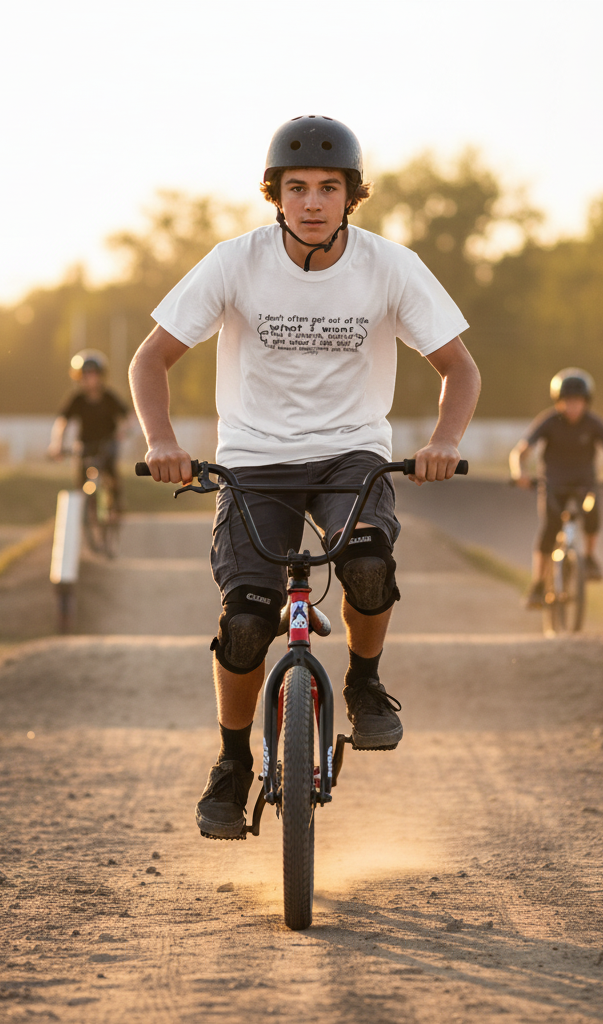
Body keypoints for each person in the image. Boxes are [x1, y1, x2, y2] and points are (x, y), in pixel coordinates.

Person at [130, 115, 480, 840]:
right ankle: (232, 763)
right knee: (248, 622)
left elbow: (459, 368)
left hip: (349, 452)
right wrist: (161, 440)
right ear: (275, 196)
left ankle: (364, 682)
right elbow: (150, 359)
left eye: (329, 187)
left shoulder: (390, 266)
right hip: (254, 461)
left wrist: (444, 441)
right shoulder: (236, 262)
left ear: (352, 196)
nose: (313, 202)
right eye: (297, 188)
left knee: (369, 567)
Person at [509, 367, 603, 608]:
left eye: (578, 401)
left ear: (586, 402)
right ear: (559, 402)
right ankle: (538, 584)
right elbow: (521, 451)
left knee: (592, 516)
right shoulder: (549, 422)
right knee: (550, 528)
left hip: (585, 484)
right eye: (568, 401)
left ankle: (590, 558)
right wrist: (519, 473)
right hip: (552, 484)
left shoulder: (594, 424)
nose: (573, 407)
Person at [48, 349, 130, 502]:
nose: (90, 379)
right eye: (86, 375)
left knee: (110, 470)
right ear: (79, 377)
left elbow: (126, 416)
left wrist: (122, 431)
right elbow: (62, 422)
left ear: (101, 376)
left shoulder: (109, 397)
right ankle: (85, 509)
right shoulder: (77, 399)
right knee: (81, 474)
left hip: (108, 441)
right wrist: (57, 443)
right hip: (85, 443)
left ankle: (115, 506)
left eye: (94, 374)